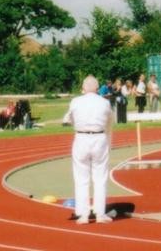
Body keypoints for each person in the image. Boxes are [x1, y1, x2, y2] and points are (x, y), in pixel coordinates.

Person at [62, 75, 114, 224]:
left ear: (83, 88)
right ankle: (99, 213)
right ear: (98, 89)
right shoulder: (104, 103)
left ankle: (83, 214)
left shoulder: (75, 102)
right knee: (100, 177)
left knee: (81, 178)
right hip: (99, 139)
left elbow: (68, 119)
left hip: (81, 138)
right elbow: (110, 121)